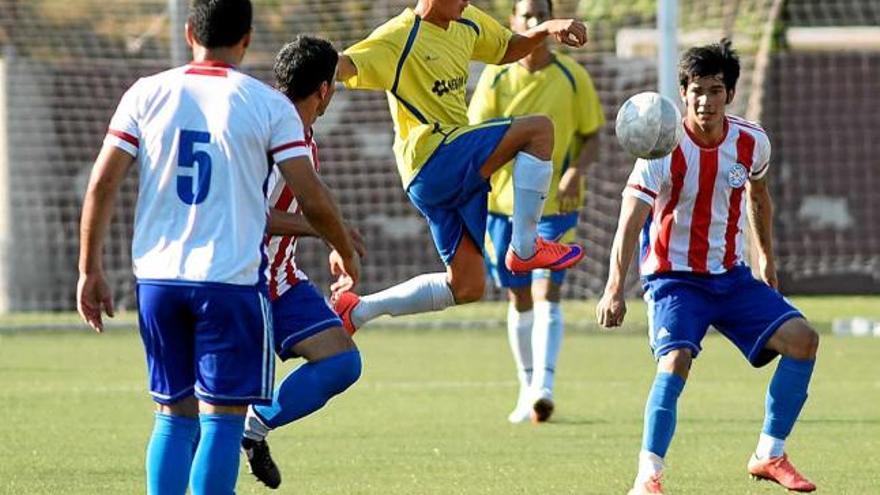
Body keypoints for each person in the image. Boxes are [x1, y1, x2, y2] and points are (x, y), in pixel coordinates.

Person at [76, 2, 359, 493]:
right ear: (247, 40)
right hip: (230, 280)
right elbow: (311, 196)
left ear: (189, 32)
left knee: (173, 418)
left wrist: (89, 269)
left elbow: (101, 184)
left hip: (159, 280)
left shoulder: (146, 92)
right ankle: (250, 432)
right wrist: (342, 245)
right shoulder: (264, 106)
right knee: (222, 420)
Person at [596, 40, 819, 494]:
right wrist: (614, 286)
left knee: (803, 341)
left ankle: (769, 454)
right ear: (683, 94)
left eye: (715, 90)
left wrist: (766, 259)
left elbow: (759, 196)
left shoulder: (752, 142)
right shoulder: (661, 150)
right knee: (676, 360)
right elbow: (629, 222)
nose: (705, 100)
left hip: (731, 276)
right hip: (673, 280)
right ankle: (647, 477)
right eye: (696, 90)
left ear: (729, 95)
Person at [331, 0, 589, 334]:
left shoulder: (466, 20)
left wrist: (544, 30)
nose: (467, 1)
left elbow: (507, 48)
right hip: (433, 157)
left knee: (467, 286)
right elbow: (346, 66)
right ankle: (525, 247)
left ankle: (359, 310)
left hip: (438, 174)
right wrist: (307, 67)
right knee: (539, 130)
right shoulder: (399, 36)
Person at [468, 0, 604, 424]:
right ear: (513, 23)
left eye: (538, 14)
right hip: (501, 205)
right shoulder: (495, 75)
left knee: (548, 289)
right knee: (519, 294)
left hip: (556, 206)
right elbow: (477, 139)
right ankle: (526, 387)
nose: (532, 22)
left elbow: (592, 134)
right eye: (525, 15)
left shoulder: (572, 75)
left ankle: (545, 386)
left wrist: (574, 173)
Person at [239, 36, 366, 490]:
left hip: (283, 280)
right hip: (243, 283)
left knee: (342, 363)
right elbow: (252, 213)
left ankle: (253, 429)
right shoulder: (271, 131)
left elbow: (307, 205)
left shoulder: (297, 132)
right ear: (324, 89)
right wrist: (323, 231)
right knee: (206, 408)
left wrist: (331, 233)